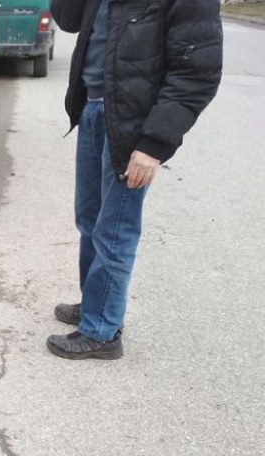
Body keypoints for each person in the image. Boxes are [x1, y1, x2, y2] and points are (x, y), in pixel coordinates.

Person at [46, 0, 223, 360]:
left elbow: (196, 74)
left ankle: (102, 332)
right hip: (94, 109)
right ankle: (96, 303)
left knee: (114, 230)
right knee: (90, 221)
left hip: (132, 126)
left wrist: (153, 145)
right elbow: (67, 20)